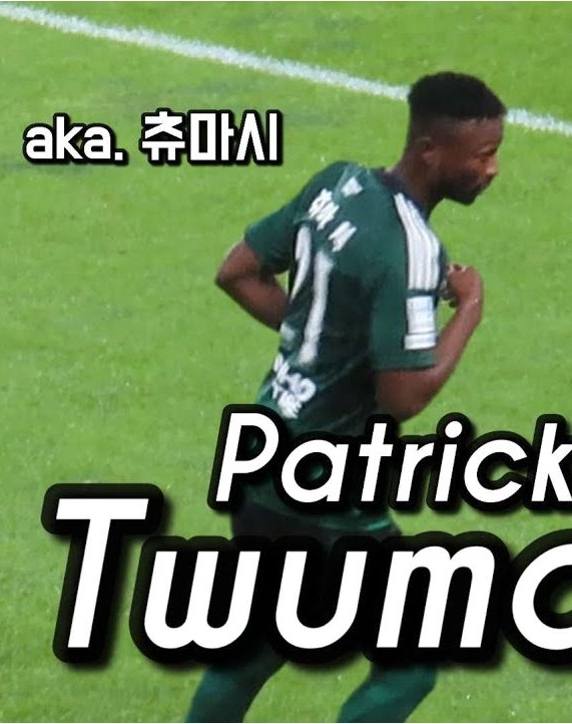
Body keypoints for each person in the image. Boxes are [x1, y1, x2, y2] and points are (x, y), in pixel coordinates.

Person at [187, 71, 505, 722]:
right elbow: (403, 397)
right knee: (413, 660)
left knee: (260, 641)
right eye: (482, 155)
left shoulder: (337, 184)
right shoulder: (413, 249)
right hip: (327, 487)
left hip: (261, 451)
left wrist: (321, 335)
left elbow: (238, 272)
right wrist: (469, 309)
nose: (491, 170)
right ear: (430, 151)